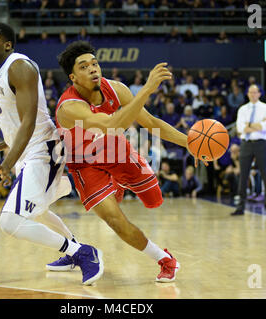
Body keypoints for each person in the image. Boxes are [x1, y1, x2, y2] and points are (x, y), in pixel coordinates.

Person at [54, 41, 207, 282]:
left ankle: (118, 183)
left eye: (95, 63)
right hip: (85, 164)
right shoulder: (69, 107)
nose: (93, 69)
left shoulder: (116, 89)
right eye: (84, 67)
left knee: (154, 200)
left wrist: (189, 143)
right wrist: (146, 90)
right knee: (116, 221)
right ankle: (166, 259)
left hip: (117, 153)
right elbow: (112, 124)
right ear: (73, 77)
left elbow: (152, 123)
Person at [0, 23, 103, 286]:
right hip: (29, 149)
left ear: (7, 44)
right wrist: (2, 145)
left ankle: (81, 253)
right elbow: (18, 122)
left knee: (10, 221)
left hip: (42, 149)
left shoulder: (19, 67)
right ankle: (75, 249)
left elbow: (30, 121)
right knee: (38, 211)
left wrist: (6, 164)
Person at [231, 84, 266, 216]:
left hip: (261, 143)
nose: (253, 94)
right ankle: (240, 207)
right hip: (246, 143)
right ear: (248, 94)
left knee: (265, 174)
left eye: (255, 92)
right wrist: (257, 125)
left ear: (260, 94)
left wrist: (249, 125)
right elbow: (240, 128)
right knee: (243, 175)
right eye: (250, 92)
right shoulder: (242, 109)